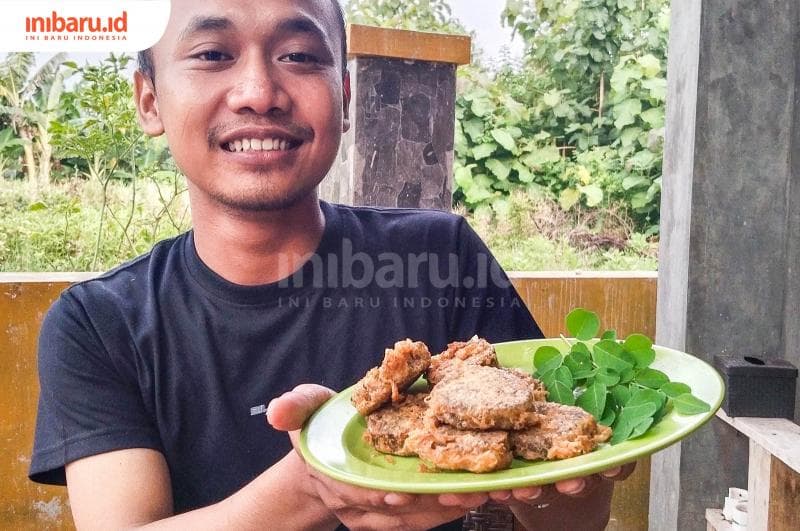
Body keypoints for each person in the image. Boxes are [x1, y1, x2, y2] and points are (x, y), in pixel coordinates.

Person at [29, 0, 632, 529]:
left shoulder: (439, 256)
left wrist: (574, 477)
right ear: (150, 99)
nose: (259, 92)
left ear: (343, 96)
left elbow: (571, 519)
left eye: (297, 55)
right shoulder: (96, 324)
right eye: (213, 54)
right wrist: (312, 485)